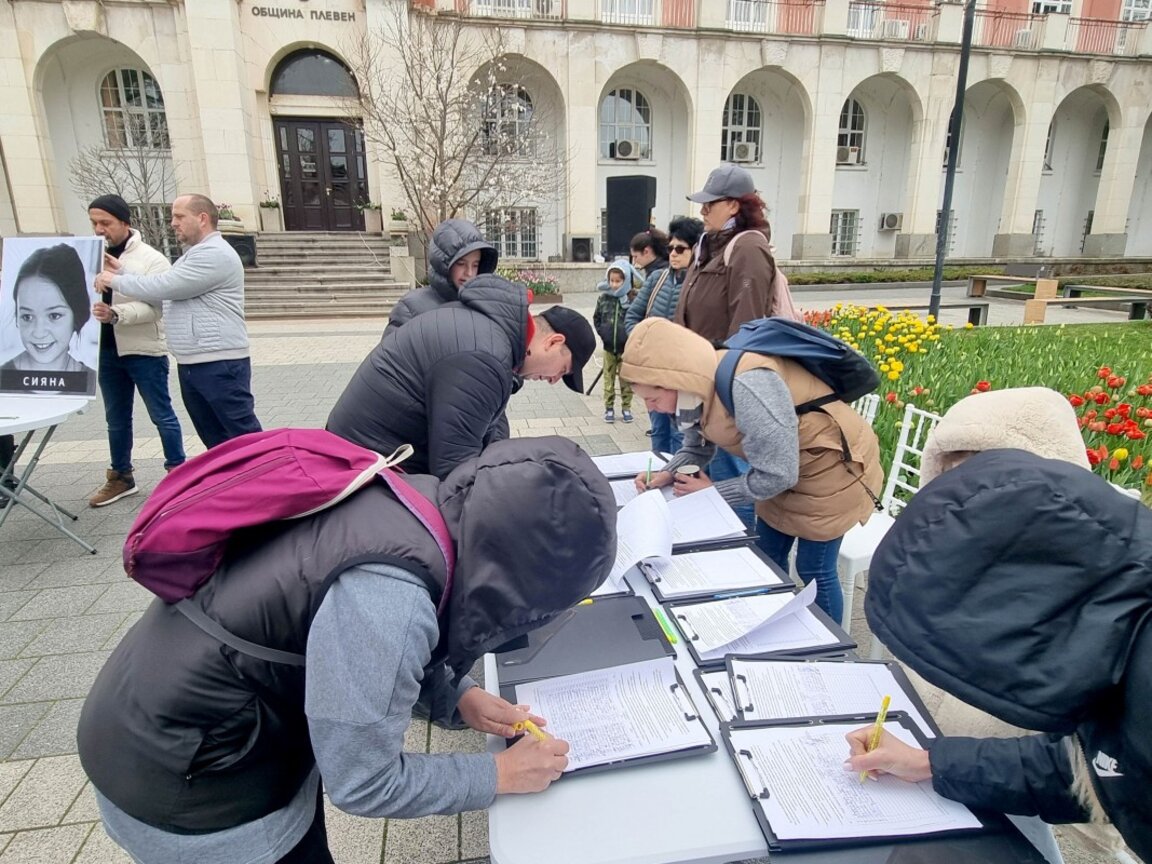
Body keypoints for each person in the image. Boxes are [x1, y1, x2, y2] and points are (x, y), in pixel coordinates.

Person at [77, 435, 617, 864]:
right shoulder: (391, 596)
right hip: (196, 788)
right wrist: (497, 776)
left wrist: (457, 697)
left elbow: (340, 645)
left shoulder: (419, 504)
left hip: (175, 720)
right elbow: (363, 782)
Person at [845, 387, 1150, 863]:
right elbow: (1094, 766)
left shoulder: (1120, 649)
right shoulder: (1105, 615)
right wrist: (930, 762)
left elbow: (1111, 784)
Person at [622, 318, 883, 624]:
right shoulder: (693, 390)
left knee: (814, 569)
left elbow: (778, 475)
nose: (652, 409)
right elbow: (698, 447)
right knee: (767, 557)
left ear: (676, 380)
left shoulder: (748, 385)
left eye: (653, 399)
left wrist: (713, 494)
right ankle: (779, 625)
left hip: (833, 472)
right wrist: (666, 473)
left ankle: (830, 650)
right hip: (782, 469)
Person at [327, 275, 595, 479]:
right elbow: (454, 470)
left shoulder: (491, 332)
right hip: (363, 468)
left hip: (364, 453)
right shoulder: (486, 356)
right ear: (553, 342)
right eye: (562, 370)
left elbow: (486, 421)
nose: (553, 381)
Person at [95, 194, 261, 450]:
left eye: (179, 216)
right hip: (195, 360)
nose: (173, 223)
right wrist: (123, 271)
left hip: (218, 361)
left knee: (242, 437)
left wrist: (114, 280)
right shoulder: (192, 255)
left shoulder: (214, 254)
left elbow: (167, 286)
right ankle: (231, 485)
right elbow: (166, 296)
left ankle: (266, 485)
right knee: (216, 441)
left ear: (202, 218)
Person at [675, 164, 779, 527]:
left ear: (734, 206)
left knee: (731, 473)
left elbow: (747, 328)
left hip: (727, 383)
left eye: (710, 204)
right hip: (701, 376)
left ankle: (737, 547)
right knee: (706, 461)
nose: (702, 211)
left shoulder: (747, 247)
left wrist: (725, 383)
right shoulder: (708, 245)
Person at [86, 194, 186, 507]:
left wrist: (118, 314)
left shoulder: (150, 259)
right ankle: (120, 476)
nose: (100, 230)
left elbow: (157, 306)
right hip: (106, 351)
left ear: (125, 223)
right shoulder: (87, 257)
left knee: (162, 415)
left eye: (106, 223)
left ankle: (177, 473)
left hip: (143, 350)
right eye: (94, 223)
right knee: (116, 418)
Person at [625, 216, 704, 453]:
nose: (673, 254)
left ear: (696, 250)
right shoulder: (657, 279)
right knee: (659, 431)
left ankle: (679, 476)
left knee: (684, 433)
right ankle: (659, 474)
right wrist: (644, 346)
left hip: (685, 376)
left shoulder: (702, 283)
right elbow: (632, 317)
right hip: (655, 372)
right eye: (670, 248)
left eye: (680, 249)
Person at [383, 219, 498, 337]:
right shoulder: (410, 309)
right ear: (443, 263)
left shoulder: (486, 306)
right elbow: (390, 354)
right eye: (461, 264)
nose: (469, 273)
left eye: (475, 265)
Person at [2, 244, 96, 380]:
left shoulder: (91, 381)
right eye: (27, 317)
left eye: (54, 316)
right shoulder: (3, 378)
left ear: (76, 314)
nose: (39, 333)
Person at [593, 259, 640, 424]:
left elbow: (637, 321)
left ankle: (626, 407)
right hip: (608, 347)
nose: (614, 284)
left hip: (626, 349)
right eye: (611, 280)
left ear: (626, 281)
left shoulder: (632, 299)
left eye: (618, 281)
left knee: (626, 380)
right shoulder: (604, 298)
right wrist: (603, 333)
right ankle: (609, 407)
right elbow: (597, 318)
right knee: (608, 380)